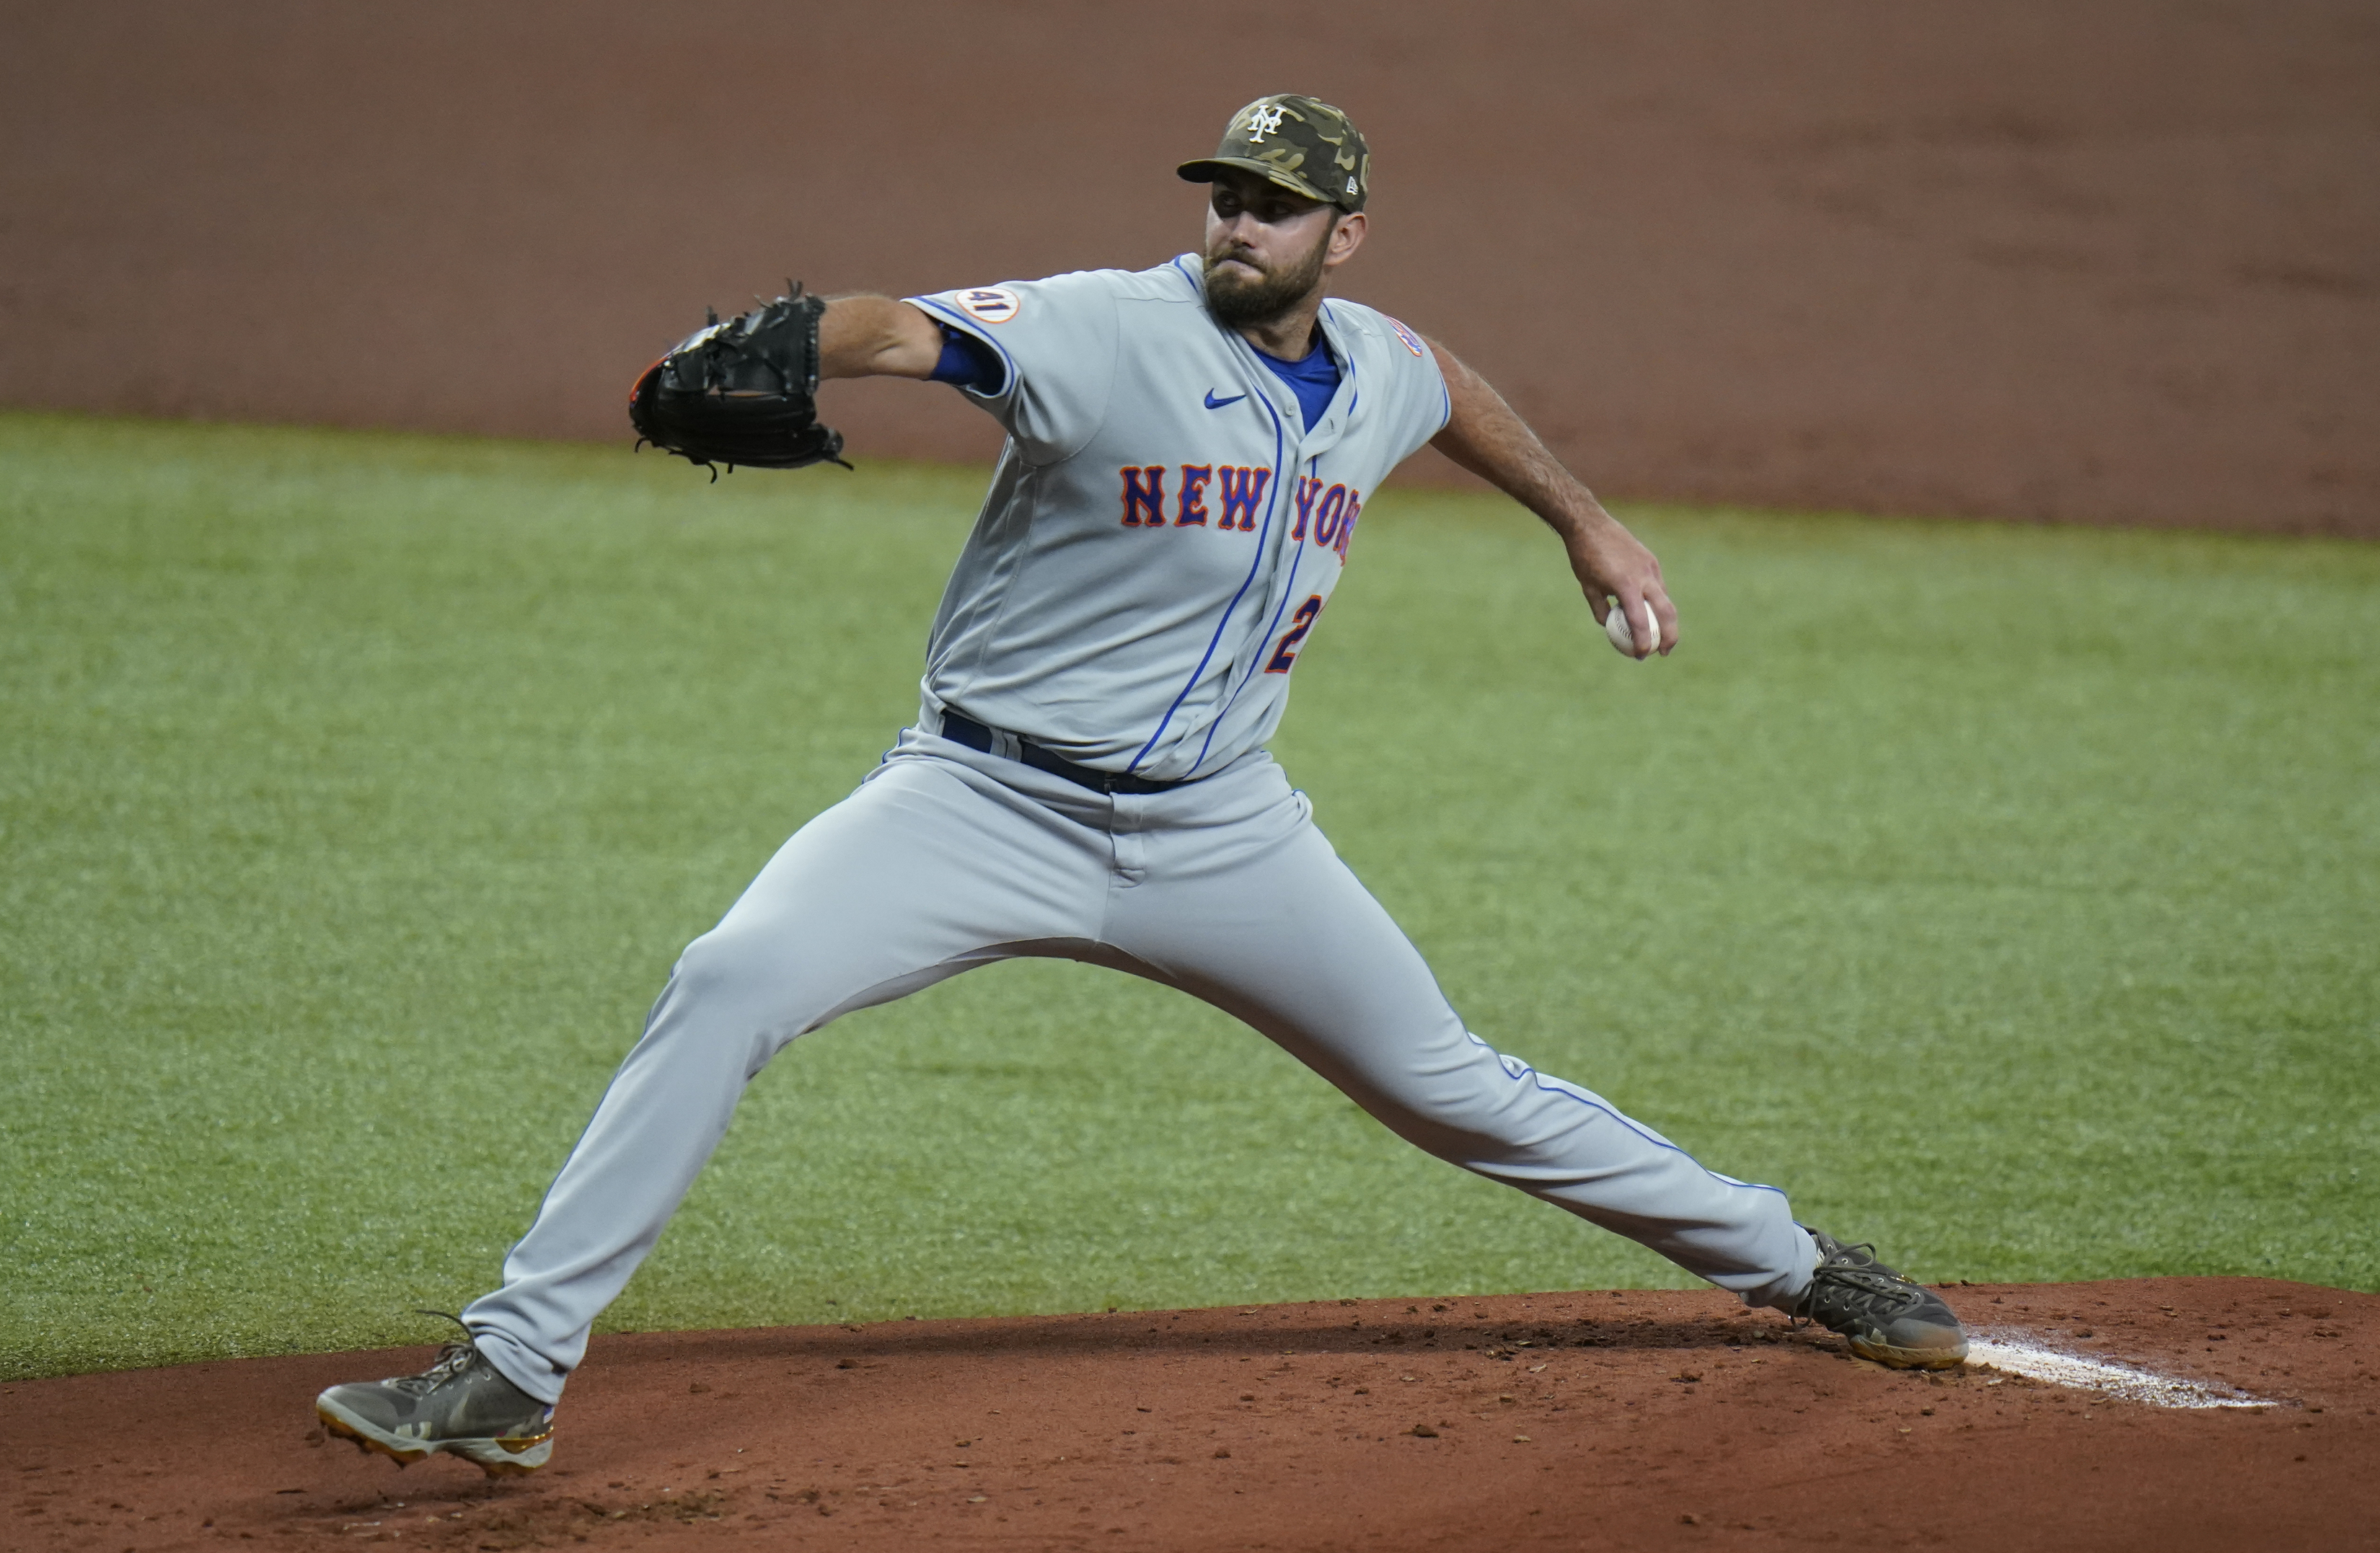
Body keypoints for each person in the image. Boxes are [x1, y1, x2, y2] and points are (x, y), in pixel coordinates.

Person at [316, 94, 1966, 1477]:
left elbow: (1444, 384)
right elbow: (910, 330)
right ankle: (511, 1373)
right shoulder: (1106, 327)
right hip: (974, 807)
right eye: (1226, 200)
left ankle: (1800, 1264)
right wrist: (792, 343)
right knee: (731, 978)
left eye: (1278, 209)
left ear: (1344, 237)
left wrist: (1583, 520)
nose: (1239, 228)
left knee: (1447, 1085)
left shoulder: (1377, 361)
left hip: (1222, 831)